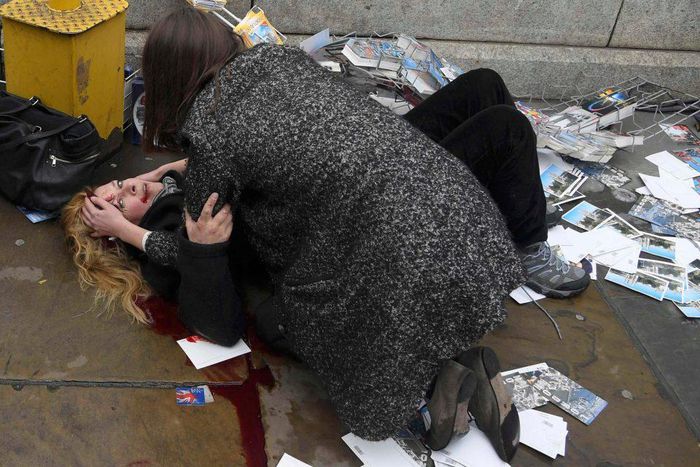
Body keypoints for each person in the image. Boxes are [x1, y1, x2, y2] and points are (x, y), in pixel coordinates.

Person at [78, 7, 588, 458]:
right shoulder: (278, 61)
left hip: (388, 232)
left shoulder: (210, 150)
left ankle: (429, 387)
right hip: (463, 210)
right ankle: (446, 371)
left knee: (305, 326)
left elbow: (204, 244)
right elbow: (228, 201)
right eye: (116, 195)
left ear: (167, 80)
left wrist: (128, 220)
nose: (125, 188)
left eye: (118, 187)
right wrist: (145, 204)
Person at [63, 165, 246, 345]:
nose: (129, 187)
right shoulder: (169, 231)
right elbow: (185, 254)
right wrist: (124, 230)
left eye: (119, 183)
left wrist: (160, 172)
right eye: (121, 204)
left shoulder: (169, 182)